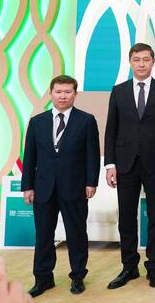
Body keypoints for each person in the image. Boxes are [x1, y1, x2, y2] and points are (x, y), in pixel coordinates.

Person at [104, 43, 155, 289]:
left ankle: (153, 268)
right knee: (126, 217)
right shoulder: (119, 91)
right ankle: (129, 267)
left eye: (146, 59)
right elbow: (111, 130)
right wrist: (110, 164)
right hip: (125, 164)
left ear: (153, 62)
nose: (141, 64)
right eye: (137, 59)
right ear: (130, 62)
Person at [21, 75, 100, 297]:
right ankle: (43, 279)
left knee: (76, 234)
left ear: (75, 94)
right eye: (58, 92)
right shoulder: (37, 122)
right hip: (43, 188)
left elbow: (92, 155)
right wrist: (28, 186)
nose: (62, 96)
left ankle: (78, 277)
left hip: (75, 187)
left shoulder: (86, 120)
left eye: (67, 92)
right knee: (44, 235)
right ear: (50, 94)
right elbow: (30, 157)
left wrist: (91, 182)